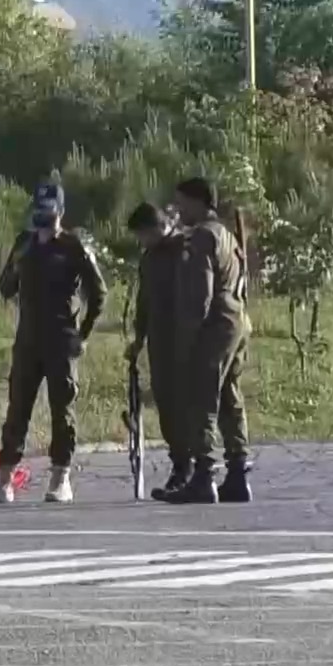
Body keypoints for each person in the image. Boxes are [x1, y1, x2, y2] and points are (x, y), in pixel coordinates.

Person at [0, 181, 106, 504]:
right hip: (28, 340)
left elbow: (98, 292)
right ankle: (5, 480)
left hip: (62, 339)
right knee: (17, 409)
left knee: (62, 410)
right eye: (39, 211)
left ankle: (60, 477)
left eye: (49, 212)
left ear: (60, 212)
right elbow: (5, 288)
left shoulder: (73, 246)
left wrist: (83, 333)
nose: (43, 217)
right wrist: (17, 263)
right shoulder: (24, 243)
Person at [159, 176, 253, 504]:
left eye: (182, 202)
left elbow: (200, 293)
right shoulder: (226, 234)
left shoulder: (201, 237)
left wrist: (187, 337)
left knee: (202, 395)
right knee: (229, 395)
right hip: (236, 319)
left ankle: (203, 475)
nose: (178, 209)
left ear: (198, 202)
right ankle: (237, 473)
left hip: (214, 323)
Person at [124, 202, 188, 500]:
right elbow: (144, 301)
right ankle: (180, 464)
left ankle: (195, 467)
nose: (142, 241)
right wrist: (138, 339)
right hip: (160, 340)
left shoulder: (185, 250)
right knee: (166, 403)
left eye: (143, 235)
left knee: (188, 404)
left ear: (158, 227)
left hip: (187, 338)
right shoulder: (149, 258)